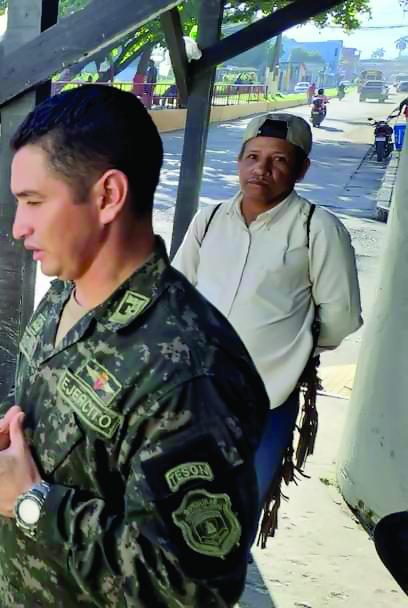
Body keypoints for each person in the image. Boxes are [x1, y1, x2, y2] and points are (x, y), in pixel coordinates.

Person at [0, 84, 269, 607]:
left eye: (33, 202)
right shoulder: (65, 291)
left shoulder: (191, 371)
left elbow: (192, 588)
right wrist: (13, 437)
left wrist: (31, 501)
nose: (18, 227)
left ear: (108, 196)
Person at [173, 113, 362, 544]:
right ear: (239, 161)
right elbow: (178, 292)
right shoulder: (210, 219)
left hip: (266, 402)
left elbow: (341, 317)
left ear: (301, 169)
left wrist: (293, 351)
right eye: (253, 157)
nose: (262, 169)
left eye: (279, 160)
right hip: (194, 393)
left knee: (232, 520)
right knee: (176, 504)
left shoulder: (317, 228)